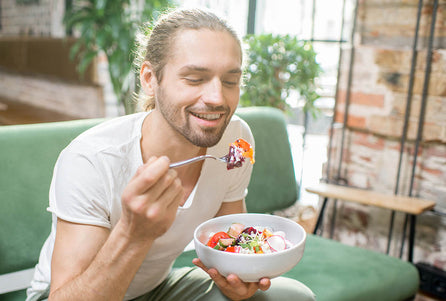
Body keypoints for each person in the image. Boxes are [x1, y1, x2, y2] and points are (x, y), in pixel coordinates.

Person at [27, 8, 315, 301]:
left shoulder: (235, 141)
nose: (217, 98)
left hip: (156, 290)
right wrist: (132, 234)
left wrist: (237, 280)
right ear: (151, 79)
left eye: (230, 81)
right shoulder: (92, 159)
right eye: (194, 78)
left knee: (293, 296)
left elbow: (229, 240)